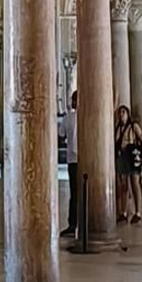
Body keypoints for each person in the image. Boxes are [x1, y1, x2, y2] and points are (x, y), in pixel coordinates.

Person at [114, 101, 142, 224]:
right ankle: (123, 211)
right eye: (119, 113)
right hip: (122, 156)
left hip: (132, 156)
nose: (121, 115)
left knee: (134, 183)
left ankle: (138, 212)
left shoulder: (133, 126)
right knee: (123, 184)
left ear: (128, 114)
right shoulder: (118, 128)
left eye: (123, 112)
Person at [64, 87, 80, 238]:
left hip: (73, 160)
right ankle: (79, 222)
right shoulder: (71, 117)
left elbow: (62, 134)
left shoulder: (68, 117)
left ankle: (73, 224)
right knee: (79, 192)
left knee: (75, 193)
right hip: (81, 159)